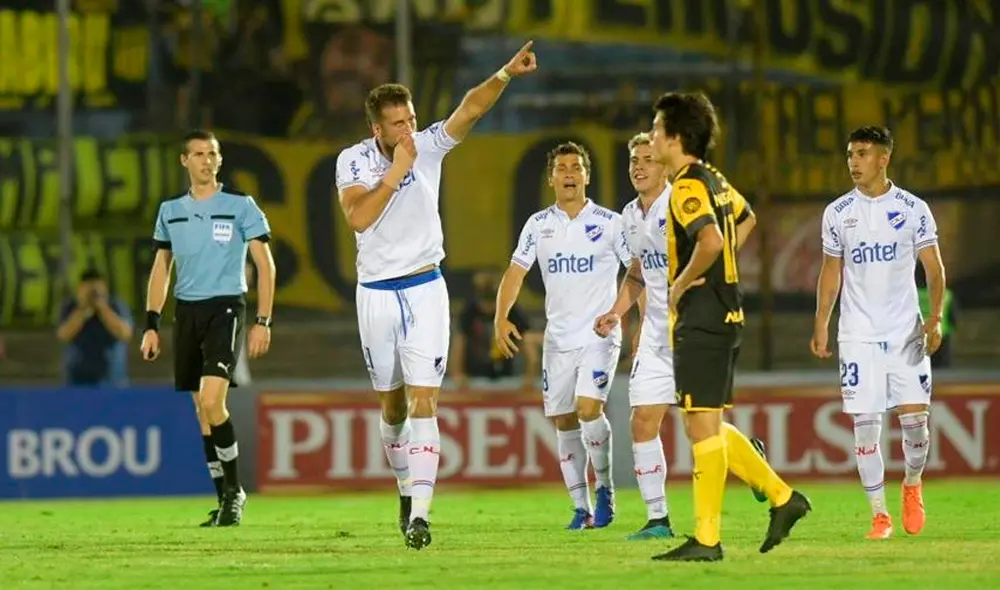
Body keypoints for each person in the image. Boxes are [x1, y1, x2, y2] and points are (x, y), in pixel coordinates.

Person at [334, 41, 538, 550]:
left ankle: (420, 514)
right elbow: (358, 217)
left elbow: (469, 108)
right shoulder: (352, 162)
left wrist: (506, 74)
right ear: (375, 130)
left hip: (426, 288)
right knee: (393, 407)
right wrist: (397, 170)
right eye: (397, 124)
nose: (409, 130)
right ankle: (405, 490)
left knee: (427, 398)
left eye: (411, 119)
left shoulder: (427, 145)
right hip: (376, 294)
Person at [647, 92, 810, 562]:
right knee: (708, 421)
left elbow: (713, 239)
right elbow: (746, 218)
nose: (654, 137)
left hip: (703, 313)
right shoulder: (714, 179)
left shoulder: (686, 187)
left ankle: (708, 539)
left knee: (701, 428)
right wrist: (721, 266)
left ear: (676, 138)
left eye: (658, 130)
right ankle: (782, 498)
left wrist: (679, 286)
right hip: (727, 311)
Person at [592, 133, 772, 542]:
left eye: (647, 160)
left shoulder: (683, 200)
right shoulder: (630, 215)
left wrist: (715, 268)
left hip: (692, 328)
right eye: (633, 160)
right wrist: (617, 315)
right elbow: (638, 272)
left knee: (700, 428)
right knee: (642, 421)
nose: (639, 166)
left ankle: (753, 466)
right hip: (655, 332)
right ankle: (658, 520)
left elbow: (744, 220)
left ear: (663, 166)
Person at [811, 125, 944, 540]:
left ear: (883, 158)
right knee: (865, 426)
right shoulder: (837, 213)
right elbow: (831, 270)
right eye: (850, 154)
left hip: (905, 330)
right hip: (857, 332)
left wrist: (934, 317)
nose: (853, 161)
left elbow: (934, 268)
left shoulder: (913, 208)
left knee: (915, 425)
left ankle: (911, 485)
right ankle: (879, 516)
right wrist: (821, 321)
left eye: (863, 154)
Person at [141, 130, 276, 528]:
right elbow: (161, 269)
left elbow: (266, 266)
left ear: (220, 160)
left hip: (226, 308)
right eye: (198, 154)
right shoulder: (170, 211)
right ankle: (222, 501)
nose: (206, 160)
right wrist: (151, 324)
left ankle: (235, 491)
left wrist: (263, 320)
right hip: (187, 312)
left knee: (213, 401)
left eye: (212, 153)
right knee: (201, 410)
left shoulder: (240, 206)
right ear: (184, 161)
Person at [494, 142, 631, 531]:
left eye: (576, 167)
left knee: (588, 408)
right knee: (563, 419)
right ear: (551, 178)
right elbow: (516, 272)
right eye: (561, 168)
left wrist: (620, 315)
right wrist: (500, 317)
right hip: (558, 339)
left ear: (587, 175)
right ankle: (580, 507)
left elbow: (634, 269)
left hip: (598, 333)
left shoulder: (610, 222)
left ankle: (605, 487)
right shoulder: (539, 225)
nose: (569, 173)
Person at [450, 269, 541, 390]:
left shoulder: (512, 311)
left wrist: (530, 377)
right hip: (474, 376)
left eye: (492, 302)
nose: (488, 308)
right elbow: (459, 345)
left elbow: (528, 346)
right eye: (485, 302)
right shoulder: (469, 312)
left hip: (508, 376)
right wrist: (458, 374)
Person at [56, 268, 133, 387]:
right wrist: (83, 311)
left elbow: (125, 333)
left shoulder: (116, 306)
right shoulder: (70, 307)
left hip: (112, 381)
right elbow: (63, 335)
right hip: (77, 381)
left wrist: (102, 308)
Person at [915, 264, 957, 368]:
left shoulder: (914, 295)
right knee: (943, 371)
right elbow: (953, 316)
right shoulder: (947, 294)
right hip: (942, 335)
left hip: (919, 335)